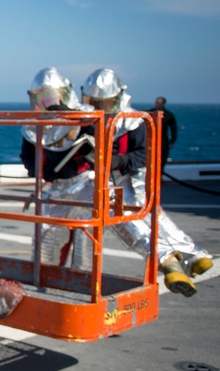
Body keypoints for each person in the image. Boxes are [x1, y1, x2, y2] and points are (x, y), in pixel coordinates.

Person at [82, 68, 212, 296]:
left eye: (106, 103)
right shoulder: (95, 121)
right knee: (148, 216)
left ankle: (178, 257)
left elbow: (143, 155)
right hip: (113, 181)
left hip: (132, 179)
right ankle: (186, 258)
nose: (101, 108)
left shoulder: (135, 122)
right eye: (96, 103)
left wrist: (118, 161)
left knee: (136, 217)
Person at [19, 67, 97, 269]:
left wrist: (70, 116)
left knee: (86, 234)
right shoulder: (33, 125)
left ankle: (84, 281)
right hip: (58, 184)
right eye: (43, 99)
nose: (48, 104)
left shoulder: (86, 116)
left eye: (52, 98)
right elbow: (27, 155)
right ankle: (45, 278)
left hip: (86, 182)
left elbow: (98, 135)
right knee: (45, 234)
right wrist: (42, 173)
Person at [148, 96, 178, 167]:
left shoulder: (168, 115)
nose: (156, 104)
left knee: (161, 161)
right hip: (151, 140)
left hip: (163, 141)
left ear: (163, 104)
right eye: (156, 102)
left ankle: (159, 176)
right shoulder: (150, 113)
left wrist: (172, 141)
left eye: (158, 103)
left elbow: (173, 129)